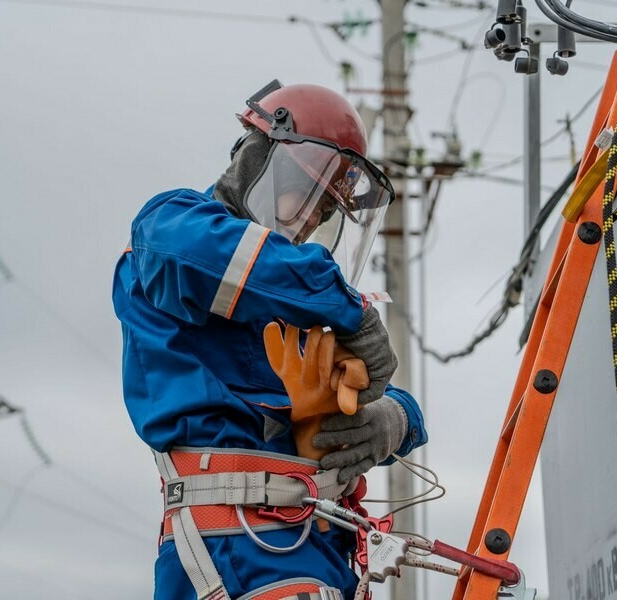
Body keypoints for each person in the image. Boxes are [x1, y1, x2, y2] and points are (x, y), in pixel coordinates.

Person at [113, 80, 428, 600]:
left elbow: (351, 389)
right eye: (303, 196)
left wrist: (395, 420)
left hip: (320, 547)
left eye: (323, 214)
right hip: (236, 546)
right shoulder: (169, 227)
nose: (306, 222)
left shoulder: (297, 294)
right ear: (257, 160)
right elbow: (197, 256)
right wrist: (347, 306)